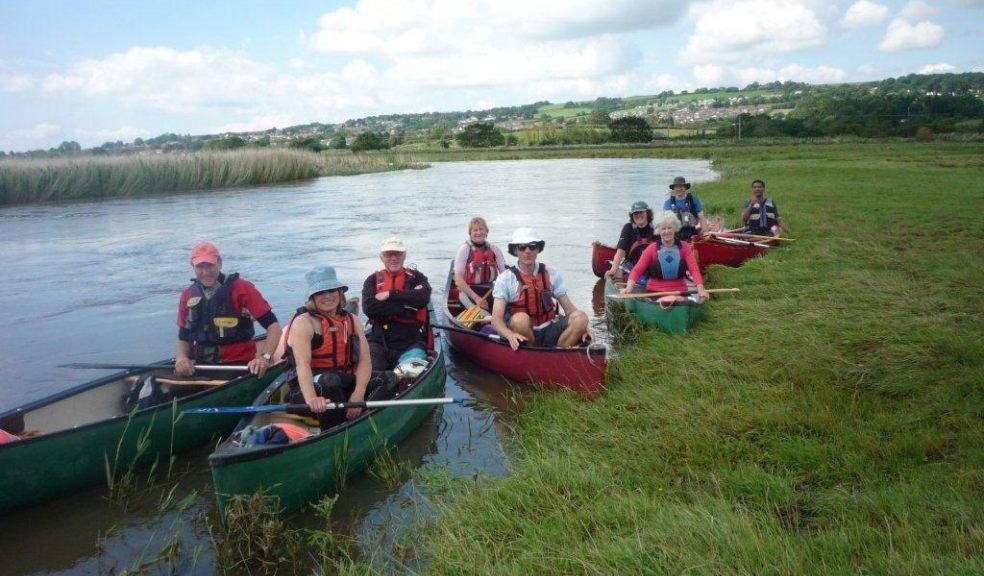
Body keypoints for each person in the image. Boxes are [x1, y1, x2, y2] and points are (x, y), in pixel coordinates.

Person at [282, 266, 393, 430]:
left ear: (339, 293)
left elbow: (364, 360)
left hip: (343, 382)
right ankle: (334, 430)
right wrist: (312, 398)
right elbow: (302, 365)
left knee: (388, 378)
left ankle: (358, 416)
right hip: (310, 390)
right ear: (312, 297)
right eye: (320, 292)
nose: (327, 296)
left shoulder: (352, 320)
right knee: (330, 381)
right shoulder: (304, 322)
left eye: (331, 290)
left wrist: (358, 393)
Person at [175, 241, 281, 378]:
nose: (205, 272)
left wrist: (264, 358)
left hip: (238, 365)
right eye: (200, 267)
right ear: (192, 266)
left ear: (219, 263)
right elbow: (183, 336)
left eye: (209, 265)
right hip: (200, 365)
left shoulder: (242, 288)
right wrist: (181, 358)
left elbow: (274, 327)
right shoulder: (187, 294)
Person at [490, 228, 591, 351]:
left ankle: (560, 350)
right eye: (522, 247)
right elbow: (496, 320)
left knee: (581, 317)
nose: (528, 251)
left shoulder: (551, 273)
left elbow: (570, 309)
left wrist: (585, 328)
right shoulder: (505, 279)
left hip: (550, 329)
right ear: (515, 250)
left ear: (538, 249)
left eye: (532, 246)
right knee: (520, 319)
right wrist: (509, 335)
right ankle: (532, 350)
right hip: (524, 332)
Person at [362, 237, 432, 371]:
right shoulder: (372, 280)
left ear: (404, 255)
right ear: (382, 257)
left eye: (397, 254)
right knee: (372, 375)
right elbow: (369, 307)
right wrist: (404, 307)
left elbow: (423, 298)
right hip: (379, 341)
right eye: (388, 254)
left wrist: (390, 294)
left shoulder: (417, 277)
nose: (393, 258)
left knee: (408, 376)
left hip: (411, 342)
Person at [621, 212, 711, 300]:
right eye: (663, 229)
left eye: (669, 228)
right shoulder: (651, 249)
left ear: (675, 228)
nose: (666, 231)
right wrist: (628, 289)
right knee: (671, 299)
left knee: (677, 299)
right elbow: (637, 270)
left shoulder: (685, 247)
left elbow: (694, 270)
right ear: (658, 231)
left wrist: (700, 289)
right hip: (655, 292)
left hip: (680, 291)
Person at [452, 216, 506, 309]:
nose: (479, 233)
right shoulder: (464, 249)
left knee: (502, 308)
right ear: (470, 233)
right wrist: (476, 298)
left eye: (481, 229)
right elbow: (458, 280)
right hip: (468, 291)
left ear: (486, 232)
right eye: (475, 230)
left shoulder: (494, 249)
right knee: (483, 312)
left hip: (490, 289)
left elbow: (504, 274)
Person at [606, 201, 656, 280]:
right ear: (632, 216)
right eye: (635, 213)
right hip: (631, 266)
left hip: (651, 267)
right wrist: (613, 269)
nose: (638, 215)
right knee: (617, 272)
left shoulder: (656, 228)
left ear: (647, 213)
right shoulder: (628, 227)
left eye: (641, 212)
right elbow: (620, 251)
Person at [663, 176, 708, 242]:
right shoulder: (668, 203)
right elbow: (665, 222)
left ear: (685, 187)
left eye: (681, 186)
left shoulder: (694, 200)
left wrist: (705, 232)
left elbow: (701, 217)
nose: (679, 189)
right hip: (675, 235)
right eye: (676, 187)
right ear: (674, 188)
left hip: (691, 233)